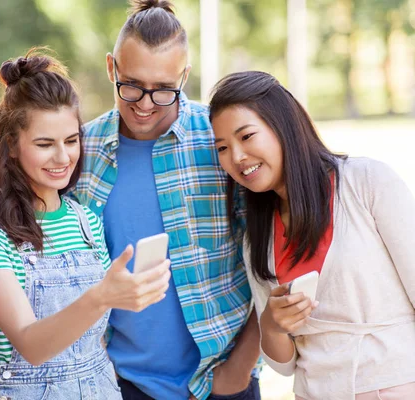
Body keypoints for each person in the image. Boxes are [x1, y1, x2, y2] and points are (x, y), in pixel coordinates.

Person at [71, 1, 261, 399]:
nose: (143, 104)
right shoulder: (78, 152)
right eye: (132, 84)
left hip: (223, 380)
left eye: (162, 90)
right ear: (111, 67)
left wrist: (238, 372)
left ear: (184, 76)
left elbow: (268, 259)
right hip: (123, 384)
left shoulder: (220, 143)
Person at [0, 49, 171, 400]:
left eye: (71, 141)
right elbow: (30, 344)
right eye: (45, 144)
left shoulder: (85, 219)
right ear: (11, 145)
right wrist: (102, 296)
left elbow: (93, 339)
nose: (63, 157)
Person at [209, 70, 415, 400]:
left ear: (283, 126)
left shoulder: (367, 182)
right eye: (222, 147)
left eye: (246, 136)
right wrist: (274, 326)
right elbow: (285, 364)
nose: (235, 157)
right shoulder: (256, 239)